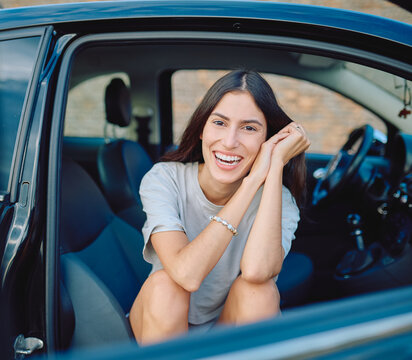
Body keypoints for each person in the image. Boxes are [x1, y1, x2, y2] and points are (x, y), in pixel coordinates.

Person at [128, 70, 310, 344]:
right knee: (167, 285)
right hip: (160, 320)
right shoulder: (165, 178)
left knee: (259, 291)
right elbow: (186, 276)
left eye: (249, 128)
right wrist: (250, 184)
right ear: (202, 128)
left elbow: (258, 272)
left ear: (266, 139)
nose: (229, 141)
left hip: (225, 325)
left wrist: (273, 167)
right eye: (220, 123)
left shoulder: (279, 199)